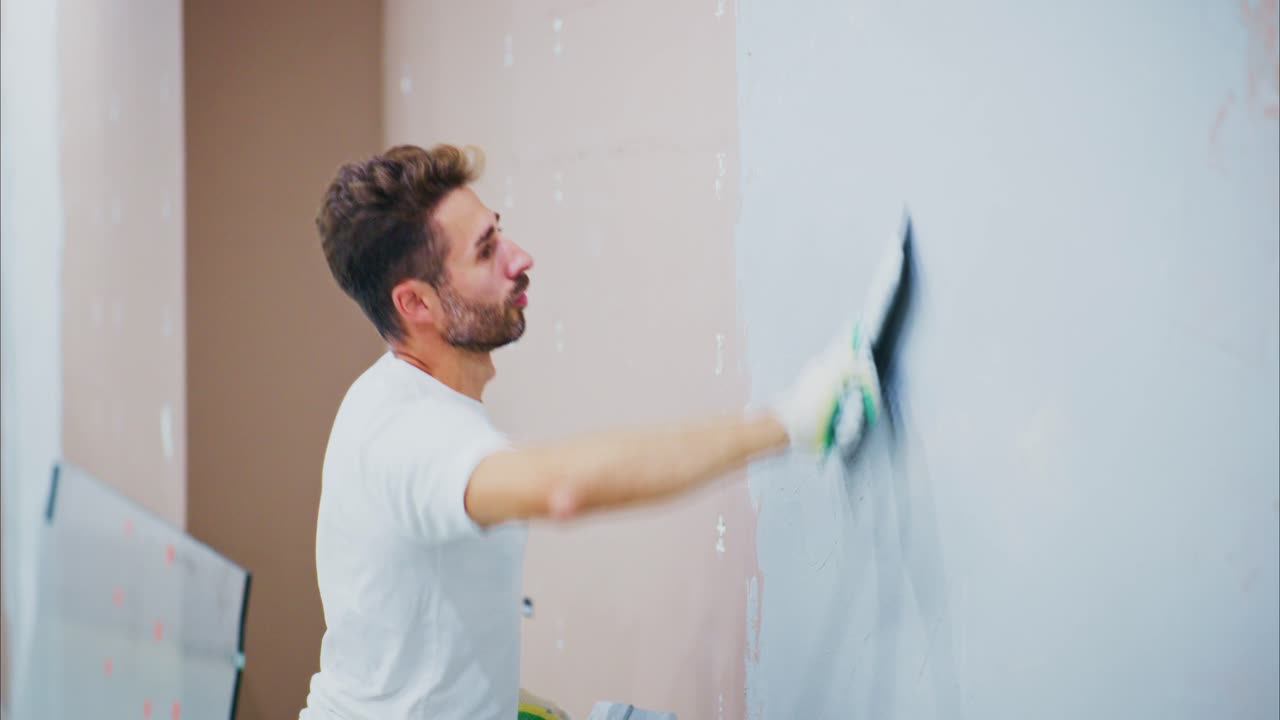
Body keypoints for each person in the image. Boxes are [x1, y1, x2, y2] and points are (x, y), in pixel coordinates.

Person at [299, 143, 901, 719]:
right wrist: (791, 420)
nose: (520, 257)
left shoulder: (404, 399)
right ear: (417, 305)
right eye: (486, 251)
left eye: (499, 229)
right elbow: (565, 486)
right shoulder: (408, 436)